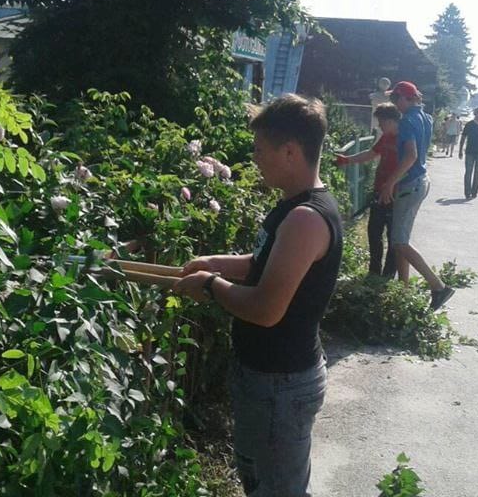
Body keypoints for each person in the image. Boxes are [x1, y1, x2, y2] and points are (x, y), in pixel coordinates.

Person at [172, 94, 343, 497]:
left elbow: (267, 309)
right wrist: (216, 262)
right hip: (270, 381)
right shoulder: (295, 207)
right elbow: (265, 263)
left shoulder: (305, 218)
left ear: (289, 151)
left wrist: (211, 287)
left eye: (259, 150)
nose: (254, 159)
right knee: (266, 483)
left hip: (279, 385)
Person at [379, 81, 455, 310]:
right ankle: (404, 289)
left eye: (396, 100)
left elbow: (410, 156)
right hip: (420, 182)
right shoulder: (426, 117)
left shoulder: (408, 122)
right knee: (400, 240)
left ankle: (438, 287)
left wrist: (388, 183)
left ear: (405, 98)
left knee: (399, 241)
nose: (394, 105)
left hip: (410, 184)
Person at [335, 103, 401, 277]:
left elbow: (409, 165)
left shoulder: (405, 139)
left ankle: (387, 276)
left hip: (397, 195)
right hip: (380, 192)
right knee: (374, 232)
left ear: (391, 120)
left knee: (394, 237)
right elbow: (371, 153)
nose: (379, 126)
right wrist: (347, 159)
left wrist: (391, 186)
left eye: (381, 122)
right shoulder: (386, 137)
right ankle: (374, 272)